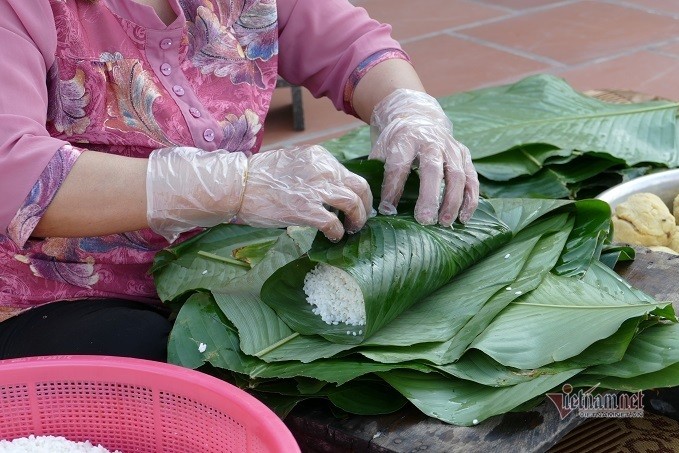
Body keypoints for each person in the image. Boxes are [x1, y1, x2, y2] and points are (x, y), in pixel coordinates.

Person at [0, 0, 479, 361]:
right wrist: (234, 185)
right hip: (53, 297)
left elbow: (350, 43)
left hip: (219, 263)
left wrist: (406, 108)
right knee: (166, 367)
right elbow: (13, 173)